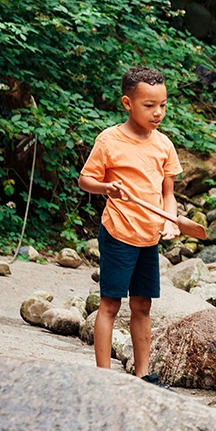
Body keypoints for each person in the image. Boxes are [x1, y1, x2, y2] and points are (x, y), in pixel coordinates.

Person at [78, 66, 182, 385]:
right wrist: (106, 188)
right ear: (128, 103)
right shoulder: (110, 140)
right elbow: (85, 179)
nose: (158, 112)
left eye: (163, 105)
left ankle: (143, 374)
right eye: (149, 105)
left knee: (142, 305)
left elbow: (168, 194)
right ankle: (103, 378)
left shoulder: (163, 145)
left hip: (149, 237)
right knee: (110, 303)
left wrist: (171, 221)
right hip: (119, 233)